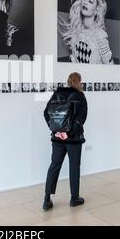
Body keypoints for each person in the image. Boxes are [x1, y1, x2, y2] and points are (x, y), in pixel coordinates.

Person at [42, 72, 88, 211]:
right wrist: (67, 134)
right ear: (78, 82)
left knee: (54, 166)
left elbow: (46, 113)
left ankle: (46, 200)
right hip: (73, 140)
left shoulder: (57, 94)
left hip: (57, 138)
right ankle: (74, 199)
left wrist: (57, 132)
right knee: (74, 167)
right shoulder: (80, 97)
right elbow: (81, 120)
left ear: (68, 81)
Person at [58, 0, 114, 64]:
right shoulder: (76, 33)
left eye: (90, 1)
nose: (85, 2)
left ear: (96, 10)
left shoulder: (100, 36)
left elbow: (111, 69)